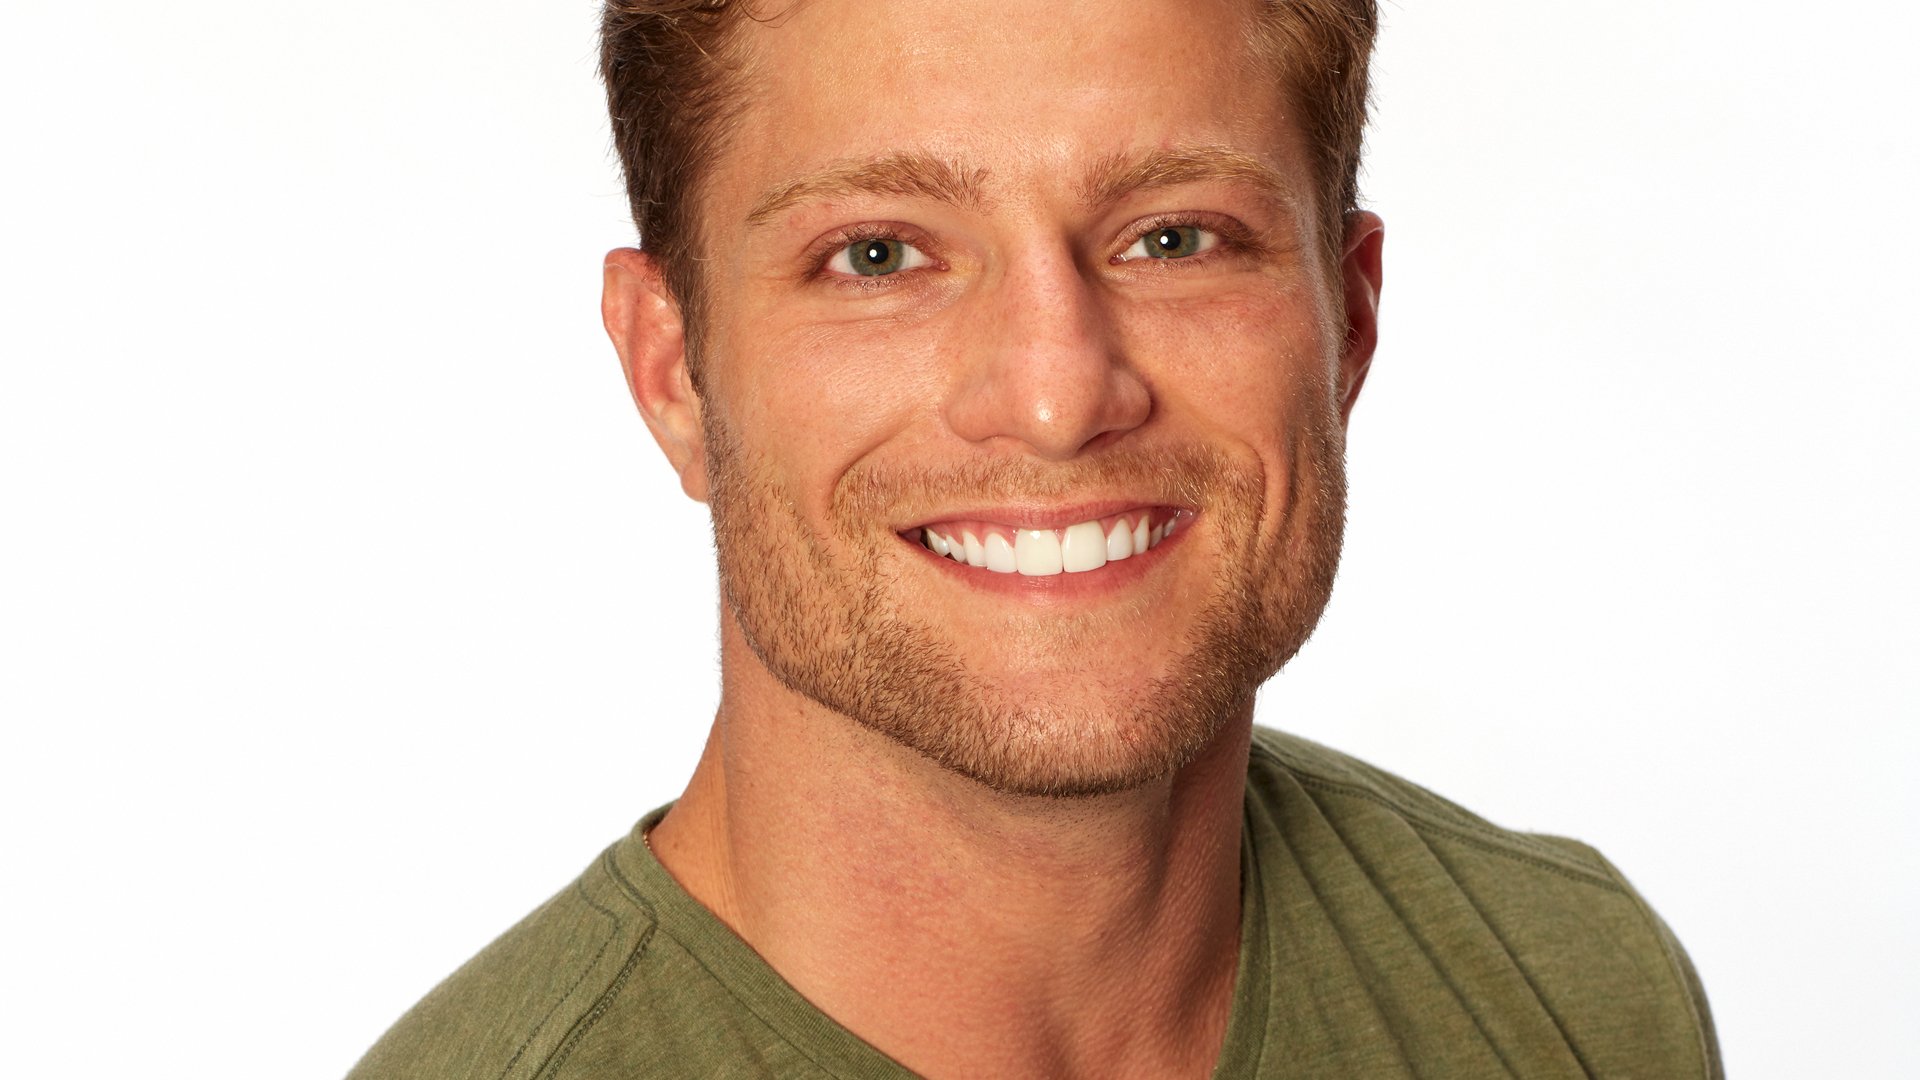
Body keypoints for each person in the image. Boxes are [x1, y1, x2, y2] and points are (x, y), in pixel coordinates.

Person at [348, 0, 1721, 1076]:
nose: (1059, 398)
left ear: (1348, 322)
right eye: (878, 255)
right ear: (673, 375)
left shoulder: (1578, 998)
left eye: (1176, 239)